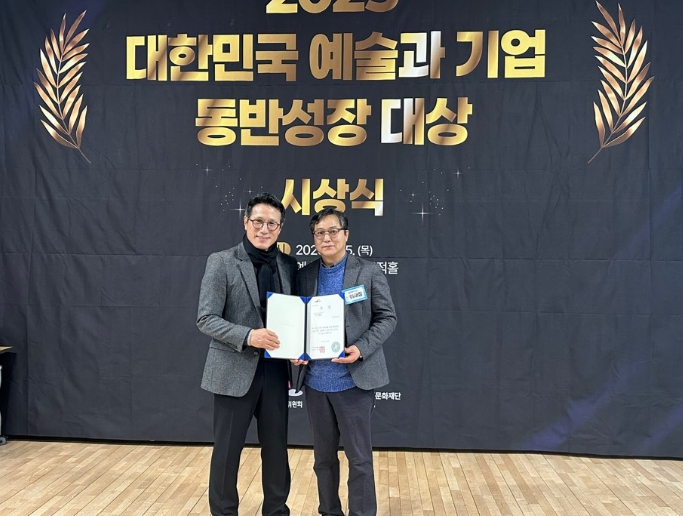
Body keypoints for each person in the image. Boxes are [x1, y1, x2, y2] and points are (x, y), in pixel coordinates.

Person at [197, 192, 296, 516]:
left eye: (272, 224)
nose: (264, 229)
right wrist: (249, 336)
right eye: (258, 221)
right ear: (245, 221)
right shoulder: (221, 261)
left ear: (280, 228)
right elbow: (206, 318)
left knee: (277, 450)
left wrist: (300, 348)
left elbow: (296, 316)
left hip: (276, 371)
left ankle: (277, 511)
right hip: (233, 370)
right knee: (227, 452)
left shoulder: (288, 265)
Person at [293, 207, 397, 516]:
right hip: (315, 384)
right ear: (314, 239)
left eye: (332, 231)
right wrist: (296, 349)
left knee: (359, 460)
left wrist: (360, 348)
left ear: (346, 235)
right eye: (319, 233)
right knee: (323, 460)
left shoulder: (368, 272)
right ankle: (329, 511)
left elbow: (387, 318)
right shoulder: (304, 275)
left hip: (353, 381)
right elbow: (298, 322)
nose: (326, 238)